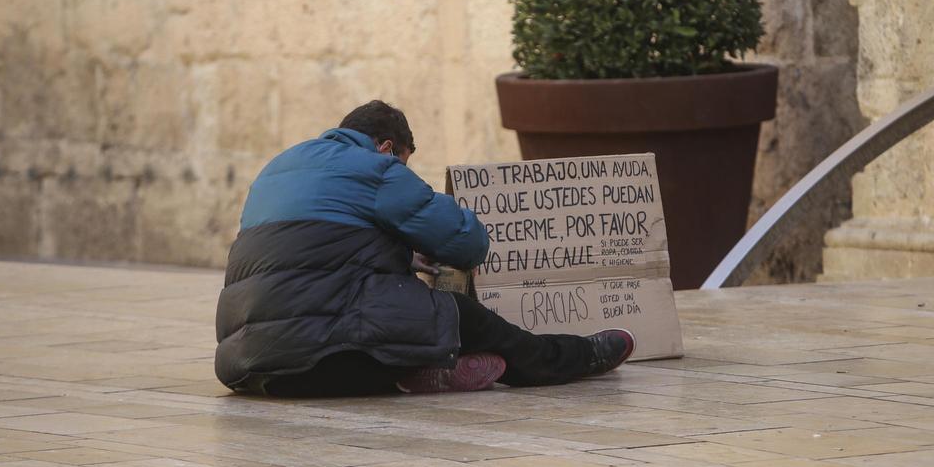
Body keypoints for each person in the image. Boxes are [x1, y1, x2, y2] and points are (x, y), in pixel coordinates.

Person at [214, 100, 634, 396]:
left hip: (252, 368)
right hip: (321, 356)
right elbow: (468, 243)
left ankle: (416, 374)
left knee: (396, 316)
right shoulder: (377, 168)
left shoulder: (278, 166)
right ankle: (575, 356)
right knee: (462, 317)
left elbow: (309, 255)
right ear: (386, 148)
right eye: (404, 161)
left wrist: (394, 251)